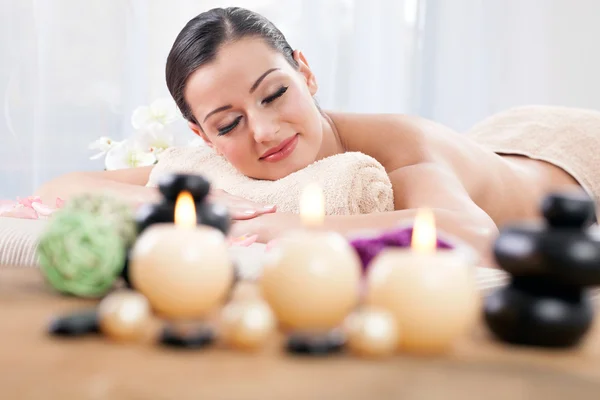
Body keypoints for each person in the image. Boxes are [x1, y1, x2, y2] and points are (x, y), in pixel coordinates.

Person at [36, 7, 590, 266]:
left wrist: (279, 225)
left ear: (306, 72)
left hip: (573, 157)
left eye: (274, 93)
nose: (265, 130)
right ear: (200, 135)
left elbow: (471, 233)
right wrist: (182, 201)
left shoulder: (397, 150)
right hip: (494, 145)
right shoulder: (219, 168)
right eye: (228, 123)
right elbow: (64, 185)